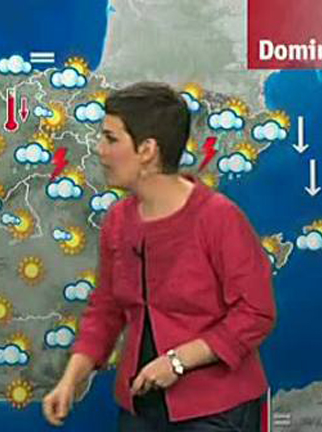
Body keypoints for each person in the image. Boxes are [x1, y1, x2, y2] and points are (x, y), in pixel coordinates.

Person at [42, 82, 277, 431]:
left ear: (147, 150)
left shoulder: (218, 218)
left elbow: (255, 312)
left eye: (111, 139)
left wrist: (177, 362)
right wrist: (70, 381)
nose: (100, 150)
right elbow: (106, 309)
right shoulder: (119, 221)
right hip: (142, 407)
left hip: (217, 412)